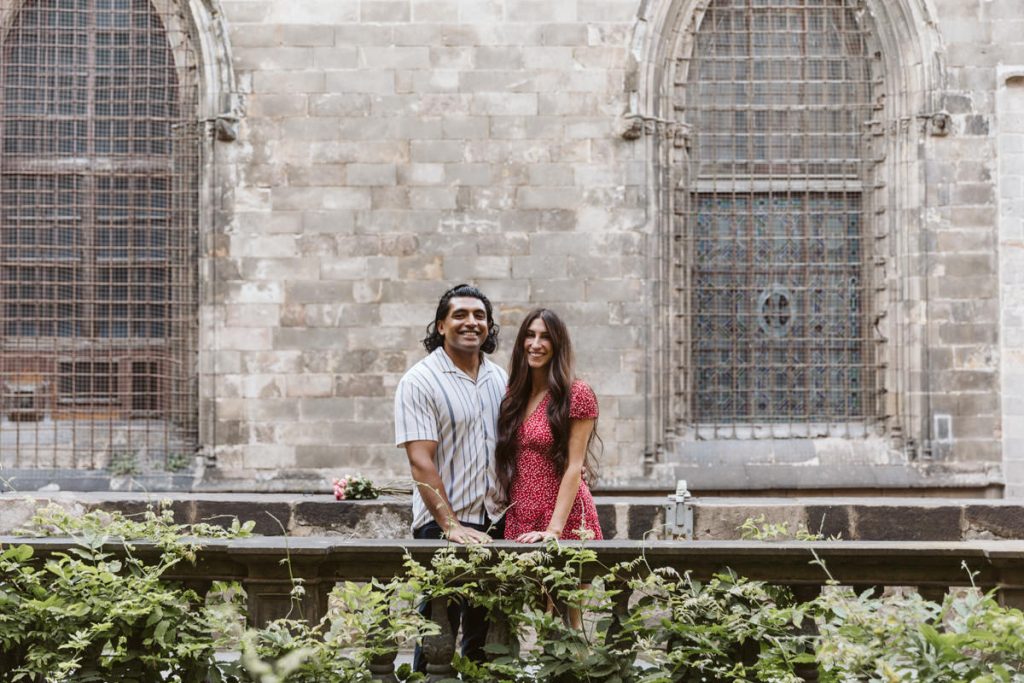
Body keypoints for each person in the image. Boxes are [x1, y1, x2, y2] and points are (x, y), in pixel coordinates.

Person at [394, 283, 507, 670]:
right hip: (444, 526)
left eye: (479, 316)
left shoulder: (500, 379)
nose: (470, 322)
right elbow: (421, 462)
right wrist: (451, 526)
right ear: (441, 325)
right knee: (437, 636)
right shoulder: (420, 381)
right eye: (459, 315)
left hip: (495, 523)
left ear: (489, 327)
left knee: (488, 642)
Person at [495, 308, 602, 545]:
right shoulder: (513, 395)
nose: (535, 344)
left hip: (563, 519)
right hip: (521, 516)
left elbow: (575, 465)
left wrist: (554, 531)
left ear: (557, 344)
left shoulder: (576, 393)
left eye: (545, 337)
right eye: (530, 335)